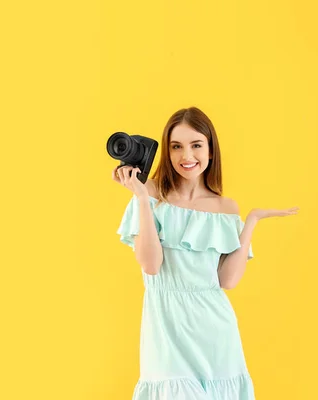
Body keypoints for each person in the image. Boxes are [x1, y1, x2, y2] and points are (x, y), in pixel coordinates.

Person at [112, 106, 299, 399]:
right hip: (166, 330)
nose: (187, 156)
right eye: (176, 147)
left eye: (196, 145)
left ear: (211, 151)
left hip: (215, 331)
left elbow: (226, 281)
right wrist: (141, 197)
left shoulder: (225, 208)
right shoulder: (149, 196)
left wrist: (250, 221)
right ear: (167, 151)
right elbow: (150, 265)